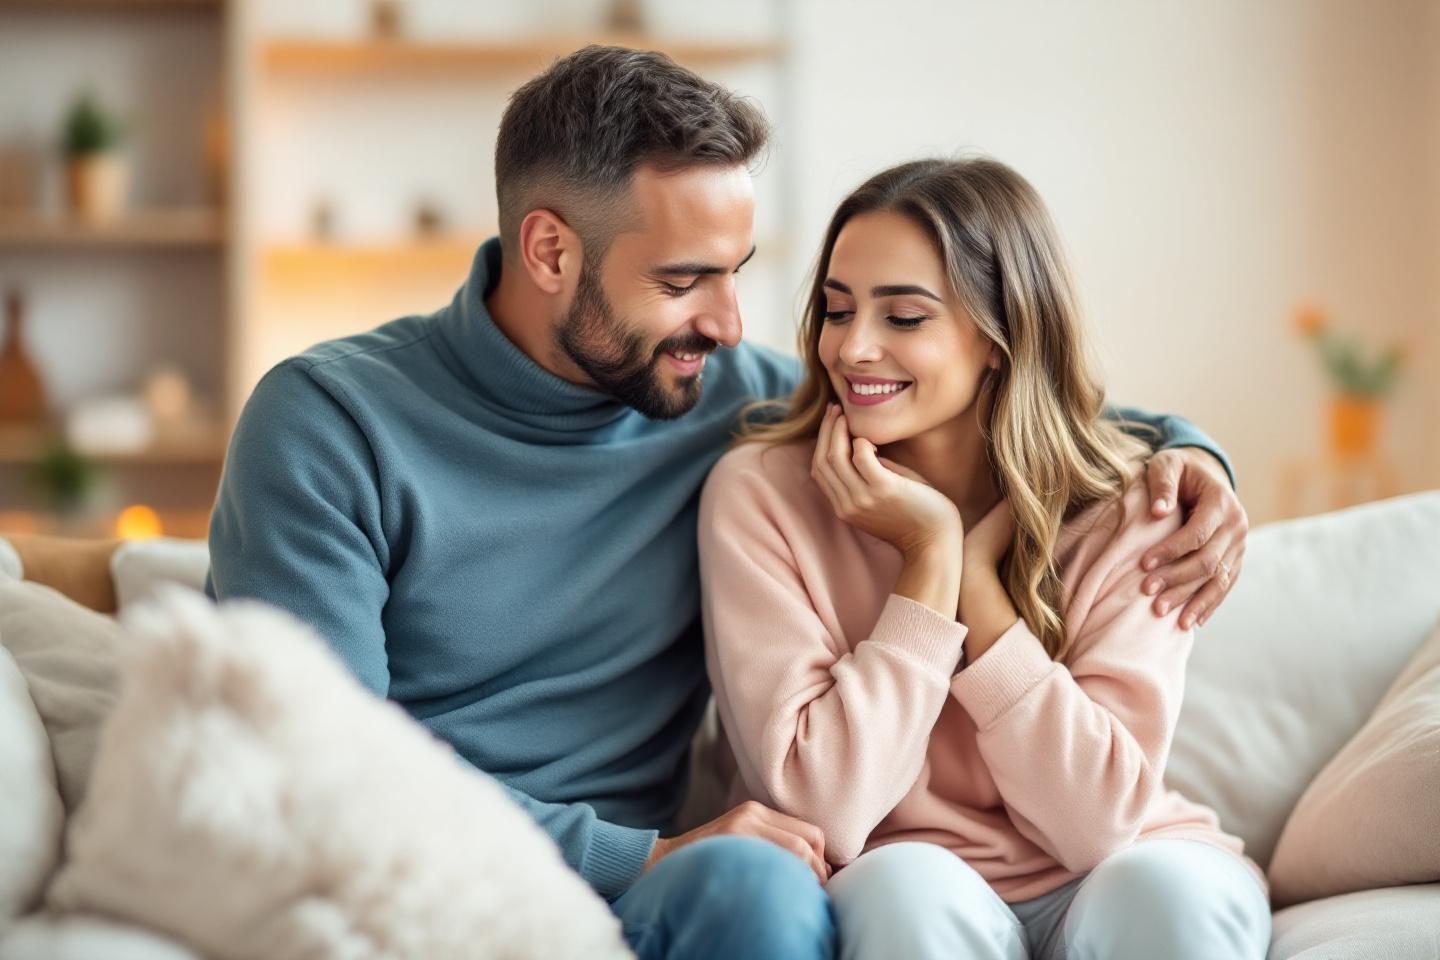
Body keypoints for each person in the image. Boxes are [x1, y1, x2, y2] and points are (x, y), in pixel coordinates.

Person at [208, 47, 1248, 960]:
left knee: (761, 885)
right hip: (414, 880)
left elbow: (993, 392)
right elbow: (314, 759)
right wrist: (644, 850)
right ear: (549, 251)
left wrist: (1196, 460)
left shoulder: (719, 394)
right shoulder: (328, 423)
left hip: (663, 895)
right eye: (684, 279)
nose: (729, 319)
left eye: (739, 273)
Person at [700, 157, 1270, 960]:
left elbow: (1099, 824)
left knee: (1161, 893)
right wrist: (928, 559)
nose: (853, 348)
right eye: (836, 309)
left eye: (904, 318)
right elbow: (827, 807)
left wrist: (977, 585)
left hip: (1121, 867)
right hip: (898, 873)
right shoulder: (761, 495)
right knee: (908, 891)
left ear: (1000, 338)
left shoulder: (1136, 506)